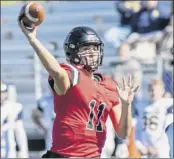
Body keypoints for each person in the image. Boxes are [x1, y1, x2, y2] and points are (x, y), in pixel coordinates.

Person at [18, 13, 139, 157]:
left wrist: (126, 105)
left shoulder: (109, 85)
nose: (93, 53)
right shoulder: (72, 73)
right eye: (87, 49)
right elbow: (57, 72)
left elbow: (123, 133)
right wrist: (33, 40)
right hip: (65, 155)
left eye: (95, 48)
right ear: (73, 52)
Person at [135, 79, 173, 158]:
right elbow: (138, 129)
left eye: (157, 90)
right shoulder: (142, 107)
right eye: (151, 90)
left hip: (161, 150)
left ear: (162, 91)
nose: (154, 93)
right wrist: (140, 146)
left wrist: (157, 147)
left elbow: (167, 130)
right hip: (145, 150)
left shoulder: (167, 105)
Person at [1, 81, 29, 158]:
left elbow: (20, 133)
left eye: (2, 92)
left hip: (8, 150)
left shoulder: (14, 108)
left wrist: (23, 151)